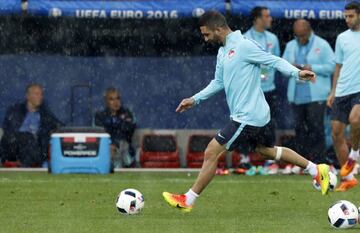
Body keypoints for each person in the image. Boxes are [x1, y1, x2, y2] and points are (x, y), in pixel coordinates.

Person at [162, 11, 330, 213]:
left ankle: (187, 200)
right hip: (251, 115)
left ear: (219, 29)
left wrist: (297, 73)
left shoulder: (244, 45)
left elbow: (273, 60)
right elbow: (219, 82)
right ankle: (317, 169)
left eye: (206, 34)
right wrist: (195, 99)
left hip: (248, 117)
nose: (205, 39)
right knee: (265, 151)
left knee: (211, 151)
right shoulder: (222, 51)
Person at [282, 19, 335, 174]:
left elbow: (332, 66)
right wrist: (293, 67)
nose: (300, 38)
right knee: (299, 131)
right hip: (296, 96)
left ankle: (321, 164)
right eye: (298, 36)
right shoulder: (291, 45)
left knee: (316, 130)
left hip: (316, 96)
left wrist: (312, 68)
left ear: (309, 31)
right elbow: (282, 65)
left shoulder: (322, 44)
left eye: (303, 35)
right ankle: (303, 165)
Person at [240, 6, 281, 175]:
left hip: (269, 90)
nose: (270, 18)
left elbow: (276, 61)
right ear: (257, 19)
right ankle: (244, 159)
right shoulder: (245, 38)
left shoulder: (273, 38)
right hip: (250, 91)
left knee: (268, 124)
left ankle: (269, 162)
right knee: (244, 123)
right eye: (267, 16)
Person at [327, 1, 360, 192]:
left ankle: (354, 155)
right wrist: (333, 91)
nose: (347, 20)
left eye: (351, 16)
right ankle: (348, 178)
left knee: (355, 120)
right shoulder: (341, 38)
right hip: (342, 90)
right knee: (336, 132)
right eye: (345, 16)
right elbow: (338, 66)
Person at [0, 83, 63, 167]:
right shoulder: (15, 111)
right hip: (14, 148)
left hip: (35, 149)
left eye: (41, 94)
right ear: (28, 96)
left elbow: (59, 127)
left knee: (34, 143)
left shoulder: (45, 115)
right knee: (27, 137)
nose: (40, 97)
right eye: (36, 94)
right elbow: (8, 131)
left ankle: (29, 165)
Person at [95, 87, 136, 168]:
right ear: (106, 101)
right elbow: (100, 134)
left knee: (122, 145)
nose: (116, 102)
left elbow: (127, 130)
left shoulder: (128, 113)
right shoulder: (99, 116)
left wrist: (115, 143)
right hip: (107, 149)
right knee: (107, 147)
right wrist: (110, 144)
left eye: (118, 98)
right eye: (111, 99)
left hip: (125, 152)